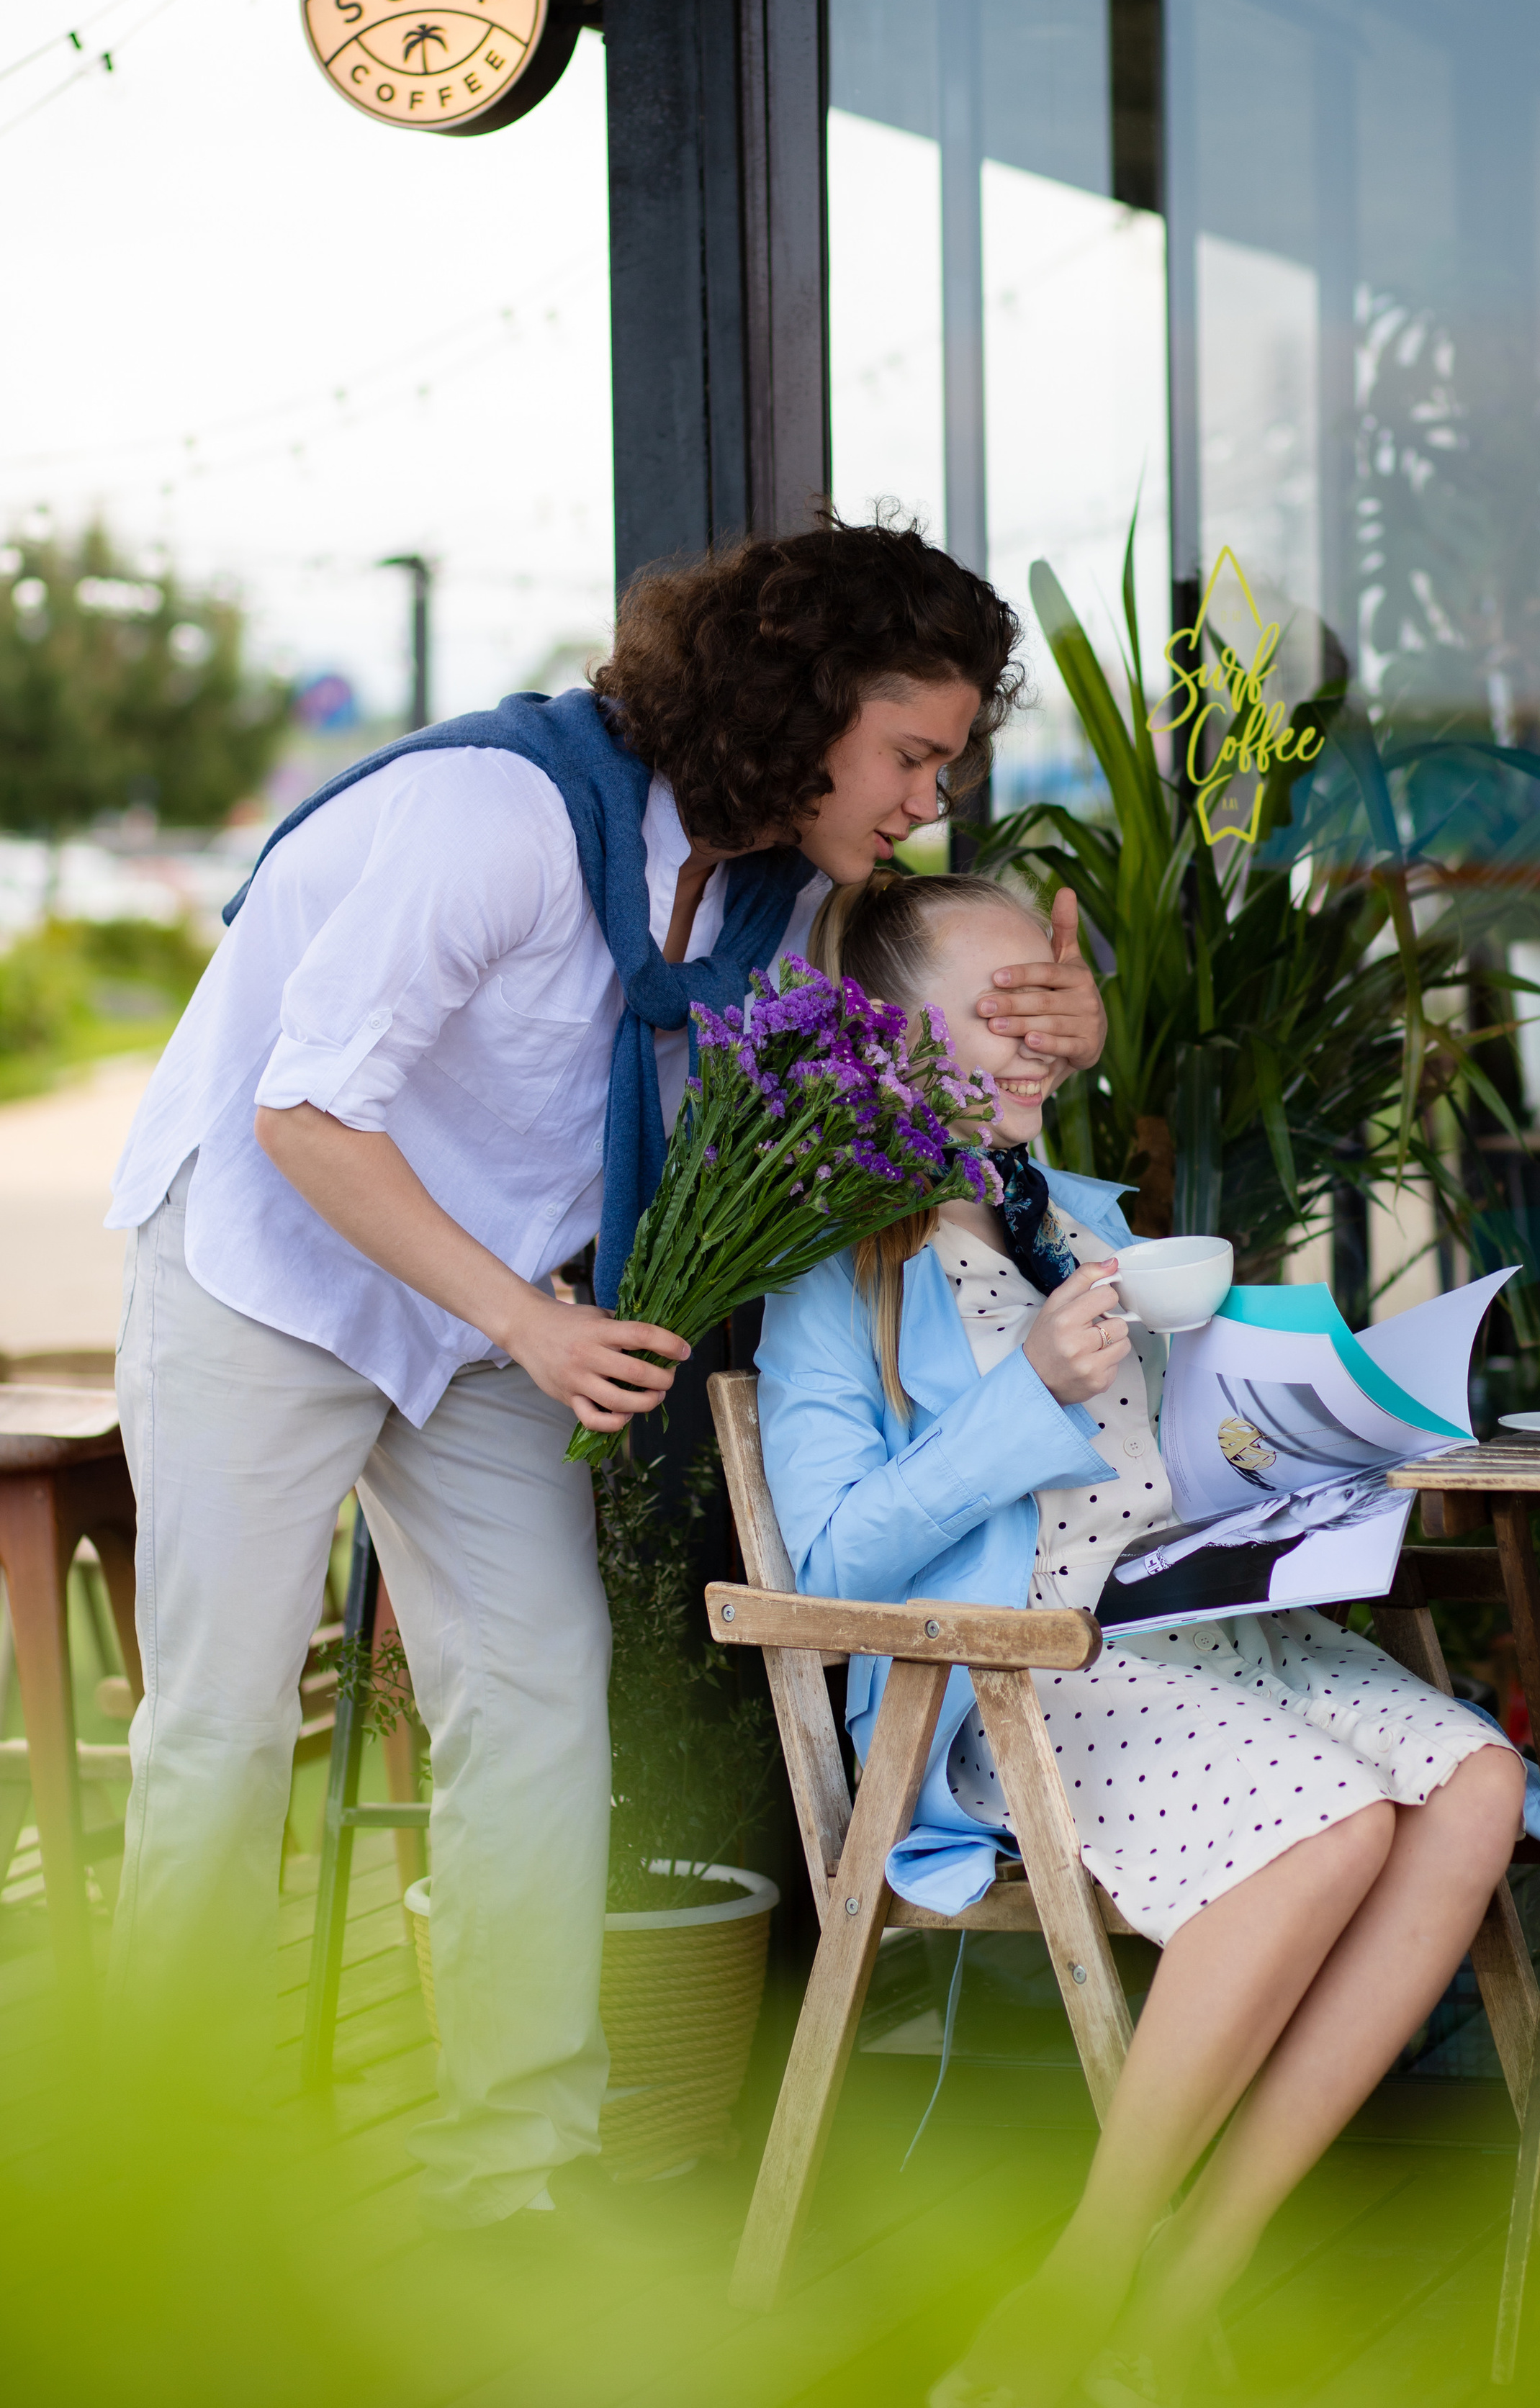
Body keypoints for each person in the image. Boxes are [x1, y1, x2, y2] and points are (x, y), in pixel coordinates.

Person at [104, 519, 1108, 2228]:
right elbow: (306, 1118)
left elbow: (921, 1057)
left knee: (536, 1691)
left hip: (482, 1303)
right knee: (223, 1718)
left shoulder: (781, 894)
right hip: (269, 1269)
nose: (926, 798)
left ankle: (509, 2172)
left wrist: (1055, 1032)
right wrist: (532, 1324)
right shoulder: (491, 819)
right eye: (908, 753)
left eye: (944, 762)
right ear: (797, 709)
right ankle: (157, 2186)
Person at [756, 870, 1534, 2408]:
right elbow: (833, 1556)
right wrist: (1025, 1391)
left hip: (1210, 1638)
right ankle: (1084, 2282)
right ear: (883, 1038)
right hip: (1031, 1673)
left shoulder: (1087, 1222)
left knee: (1479, 1788)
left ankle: (1186, 2289)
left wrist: (1299, 1451)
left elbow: (1161, 1467)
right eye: (1001, 1007)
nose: (1039, 1035)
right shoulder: (839, 1273)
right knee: (1328, 1833)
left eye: (1049, 1003)